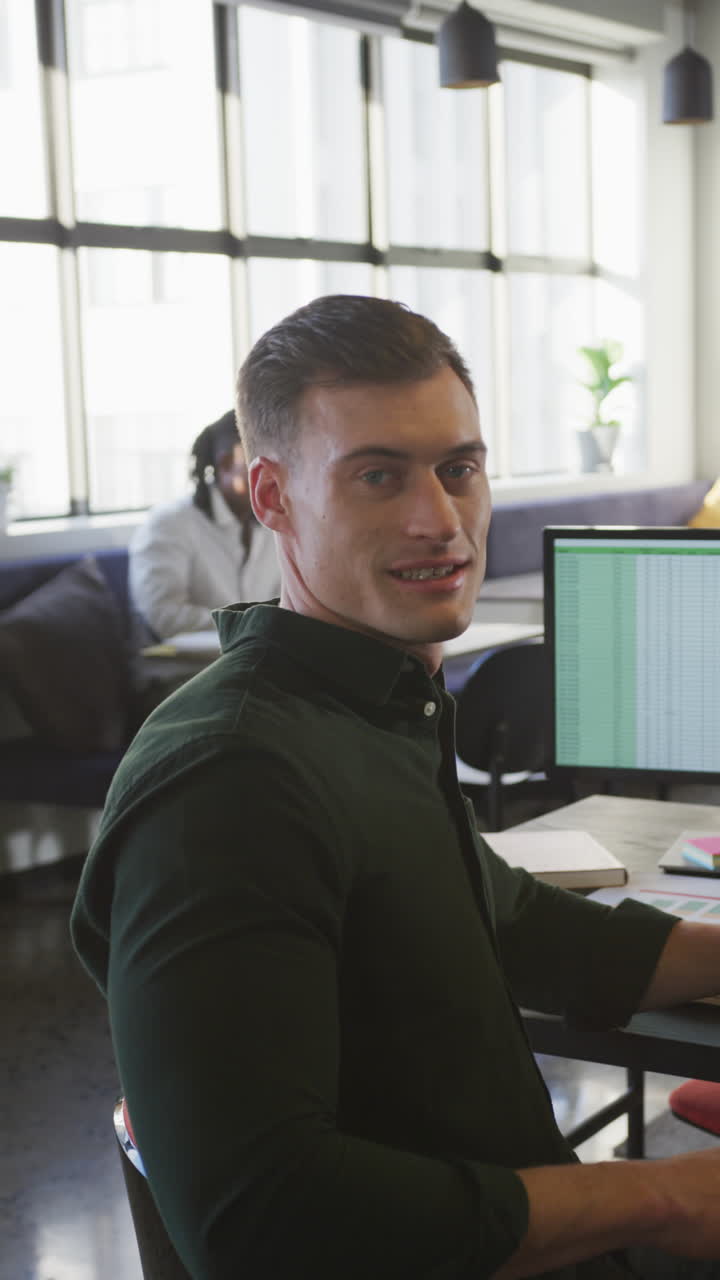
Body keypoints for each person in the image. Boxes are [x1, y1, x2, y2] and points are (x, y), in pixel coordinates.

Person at [71, 295, 720, 1280]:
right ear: (273, 497)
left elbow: (515, 924)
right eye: (378, 475)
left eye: (459, 469)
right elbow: (259, 1221)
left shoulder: (371, 707)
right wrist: (664, 1195)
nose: (441, 521)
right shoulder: (230, 778)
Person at [129, 409, 280, 640]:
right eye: (263, 464)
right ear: (226, 464)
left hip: (258, 654)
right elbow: (163, 615)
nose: (276, 476)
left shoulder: (276, 521)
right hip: (186, 660)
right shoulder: (169, 524)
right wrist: (248, 627)